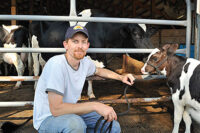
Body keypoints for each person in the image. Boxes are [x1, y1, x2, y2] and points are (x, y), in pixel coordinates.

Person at [33, 25, 135, 133]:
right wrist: (95, 105)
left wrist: (121, 77)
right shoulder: (56, 64)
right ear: (66, 45)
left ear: (88, 45)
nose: (80, 46)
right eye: (75, 41)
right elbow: (56, 109)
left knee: (112, 126)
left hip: (70, 113)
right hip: (48, 119)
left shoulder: (85, 62)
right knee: (76, 125)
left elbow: (99, 71)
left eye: (83, 42)